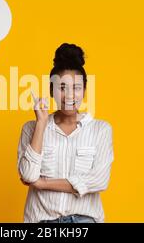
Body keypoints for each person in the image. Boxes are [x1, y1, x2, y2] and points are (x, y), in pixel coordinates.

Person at [17, 43, 114, 223]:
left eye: (76, 88)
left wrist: (43, 183)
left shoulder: (101, 129)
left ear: (84, 90)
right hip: (42, 221)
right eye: (62, 88)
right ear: (51, 91)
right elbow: (29, 175)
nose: (69, 96)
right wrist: (41, 124)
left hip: (85, 221)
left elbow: (99, 180)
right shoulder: (30, 128)